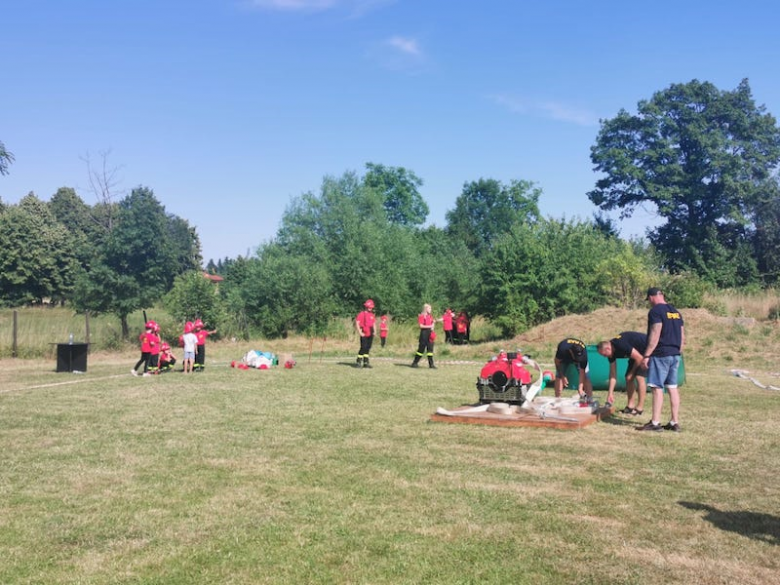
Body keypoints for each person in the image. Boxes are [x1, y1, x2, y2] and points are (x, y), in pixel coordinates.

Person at [637, 287, 685, 432]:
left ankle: (655, 423)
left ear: (652, 297)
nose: (649, 303)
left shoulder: (656, 311)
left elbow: (655, 333)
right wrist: (678, 352)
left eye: (649, 300)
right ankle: (674, 422)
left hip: (661, 354)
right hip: (675, 354)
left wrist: (647, 355)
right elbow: (682, 336)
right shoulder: (676, 312)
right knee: (672, 387)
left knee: (657, 387)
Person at [596, 332, 648, 414]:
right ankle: (630, 406)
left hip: (647, 349)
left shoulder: (620, 344)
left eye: (604, 354)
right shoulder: (611, 354)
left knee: (639, 377)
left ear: (608, 349)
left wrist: (632, 373)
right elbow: (613, 375)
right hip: (636, 354)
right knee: (628, 378)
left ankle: (639, 408)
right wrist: (610, 393)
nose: (604, 357)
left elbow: (639, 358)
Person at [411, 303, 437, 369]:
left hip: (430, 333)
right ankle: (415, 363)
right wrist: (430, 326)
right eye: (429, 308)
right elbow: (421, 326)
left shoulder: (430, 316)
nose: (431, 310)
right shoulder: (421, 316)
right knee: (421, 349)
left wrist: (433, 324)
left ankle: (431, 364)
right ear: (426, 309)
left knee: (430, 349)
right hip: (424, 334)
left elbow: (432, 326)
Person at [355, 299, 376, 368]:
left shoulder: (372, 315)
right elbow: (357, 323)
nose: (371, 308)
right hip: (364, 333)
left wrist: (375, 331)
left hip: (370, 333)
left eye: (371, 307)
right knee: (363, 347)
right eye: (369, 307)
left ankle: (366, 362)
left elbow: (373, 324)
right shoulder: (361, 314)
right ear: (366, 306)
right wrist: (360, 332)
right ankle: (358, 361)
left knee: (368, 348)